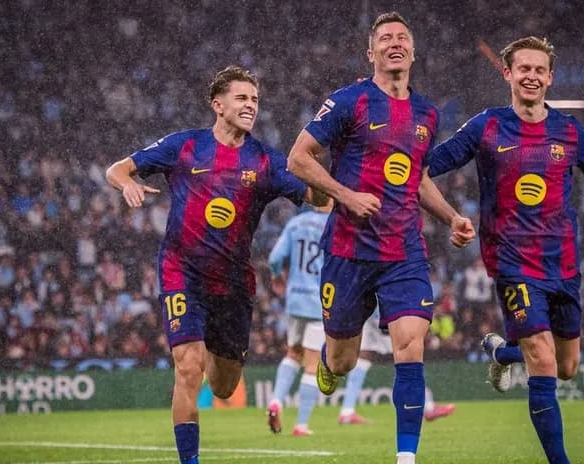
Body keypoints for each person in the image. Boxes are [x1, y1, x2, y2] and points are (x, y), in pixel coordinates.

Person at [426, 36, 584, 463]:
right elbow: (426, 165)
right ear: (508, 73)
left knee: (565, 367)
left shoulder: (569, 131)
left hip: (563, 265)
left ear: (550, 77)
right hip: (512, 262)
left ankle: (502, 352)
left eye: (539, 70)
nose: (531, 76)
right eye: (523, 68)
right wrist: (448, 215)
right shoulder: (486, 126)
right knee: (544, 361)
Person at [106, 65, 327, 464]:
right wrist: (127, 183)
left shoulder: (265, 160)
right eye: (242, 98)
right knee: (188, 368)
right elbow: (116, 169)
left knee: (224, 385)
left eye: (255, 99)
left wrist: (328, 167)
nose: (251, 105)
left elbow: (319, 199)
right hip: (182, 272)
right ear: (218, 104)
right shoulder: (185, 146)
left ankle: (207, 341)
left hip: (233, 284)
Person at [286, 12, 474, 464]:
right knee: (344, 361)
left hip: (403, 251)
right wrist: (346, 195)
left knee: (410, 345)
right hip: (348, 250)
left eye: (402, 37)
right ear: (371, 53)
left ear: (413, 51)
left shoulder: (427, 113)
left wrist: (451, 217)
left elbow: (417, 178)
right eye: (385, 38)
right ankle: (329, 361)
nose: (395, 43)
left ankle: (406, 457)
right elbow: (298, 158)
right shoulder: (348, 101)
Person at [265, 201, 333, 436]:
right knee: (312, 365)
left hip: (295, 299)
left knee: (293, 353)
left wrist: (277, 275)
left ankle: (276, 401)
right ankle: (301, 424)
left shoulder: (296, 223)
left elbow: (275, 257)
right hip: (319, 301)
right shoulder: (334, 225)